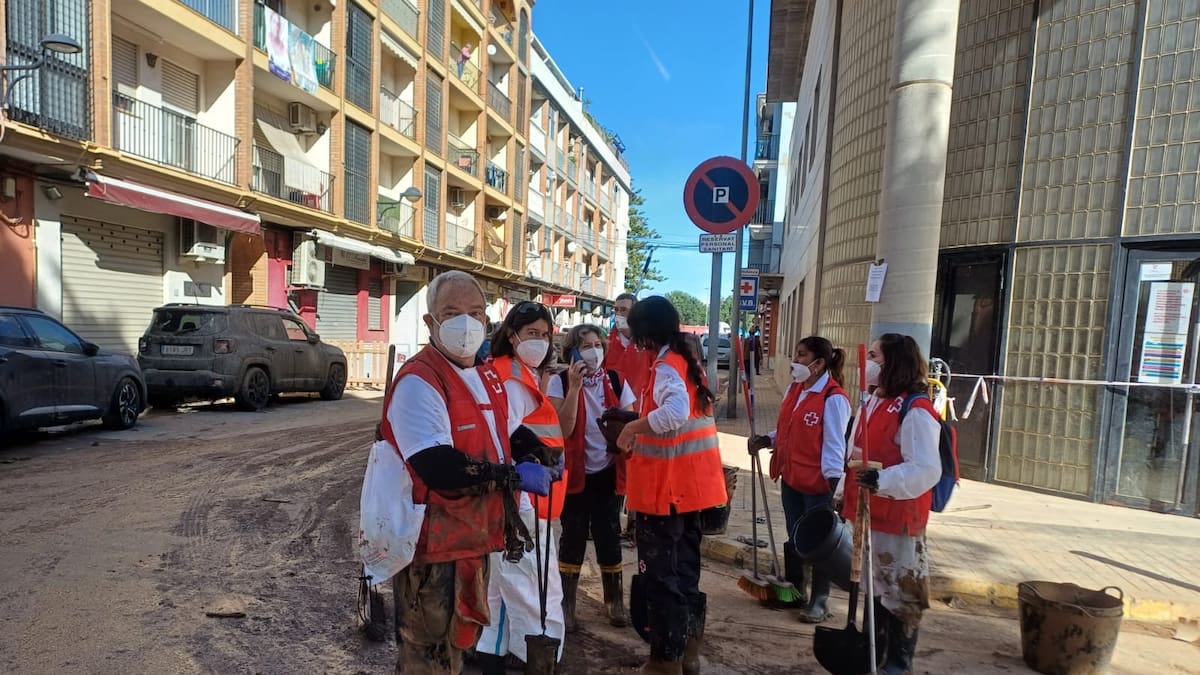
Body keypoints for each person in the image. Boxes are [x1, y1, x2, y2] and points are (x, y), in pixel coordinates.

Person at [381, 271, 555, 675]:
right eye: (452, 312)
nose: (466, 323)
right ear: (430, 322)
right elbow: (436, 466)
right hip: (433, 549)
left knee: (460, 643)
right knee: (427, 653)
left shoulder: (484, 373)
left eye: (475, 312)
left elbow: (504, 427)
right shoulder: (419, 381)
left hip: (472, 539)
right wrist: (512, 476)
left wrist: (537, 451)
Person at [615, 296, 728, 675]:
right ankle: (688, 655)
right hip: (693, 494)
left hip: (665, 497)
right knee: (686, 576)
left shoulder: (665, 366)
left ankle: (664, 664)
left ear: (647, 330)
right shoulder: (685, 362)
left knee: (662, 581)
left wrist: (632, 426)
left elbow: (675, 414)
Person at [842, 333, 942, 675]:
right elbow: (856, 451)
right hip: (869, 513)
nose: (868, 363)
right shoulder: (874, 401)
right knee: (877, 588)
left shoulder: (915, 410)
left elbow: (927, 468)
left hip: (897, 516)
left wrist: (883, 481)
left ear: (891, 362)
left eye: (874, 356)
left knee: (900, 593)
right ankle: (876, 657)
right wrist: (844, 489)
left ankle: (896, 665)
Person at [475, 301, 567, 672]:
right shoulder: (511, 378)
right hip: (521, 502)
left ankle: (491, 656)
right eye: (532, 334)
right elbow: (501, 439)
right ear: (512, 336)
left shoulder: (506, 372)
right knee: (536, 590)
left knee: (499, 589)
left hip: (513, 498)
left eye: (545, 335)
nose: (540, 342)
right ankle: (542, 661)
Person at [748, 337, 850, 623]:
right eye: (795, 354)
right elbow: (787, 429)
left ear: (818, 364)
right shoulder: (795, 389)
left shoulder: (834, 398)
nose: (795, 360)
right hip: (792, 478)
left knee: (820, 544)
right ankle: (795, 590)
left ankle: (819, 600)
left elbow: (834, 445)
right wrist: (766, 439)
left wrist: (834, 486)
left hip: (818, 484)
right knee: (795, 536)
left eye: (802, 355)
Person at [547, 324, 637, 632]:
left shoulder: (615, 380)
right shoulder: (558, 382)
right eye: (586, 346)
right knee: (571, 537)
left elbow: (630, 422)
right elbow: (564, 429)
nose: (594, 350)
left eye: (598, 344)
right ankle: (567, 605)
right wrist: (575, 387)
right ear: (572, 351)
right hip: (575, 472)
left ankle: (614, 601)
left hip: (608, 471)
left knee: (609, 535)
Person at [606, 293, 655, 545]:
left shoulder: (645, 346)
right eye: (616, 309)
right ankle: (611, 525)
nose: (619, 314)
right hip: (613, 418)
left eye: (624, 309)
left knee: (637, 473)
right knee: (615, 472)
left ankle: (635, 527)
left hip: (640, 417)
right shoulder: (608, 343)